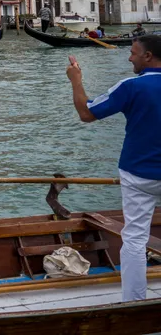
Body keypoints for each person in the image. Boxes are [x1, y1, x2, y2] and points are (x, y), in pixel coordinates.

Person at [66, 35, 161, 302]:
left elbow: (87, 114)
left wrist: (76, 80)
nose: (129, 57)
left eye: (133, 53)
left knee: (134, 238)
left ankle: (134, 303)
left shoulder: (131, 86)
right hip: (142, 173)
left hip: (139, 173)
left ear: (148, 56)